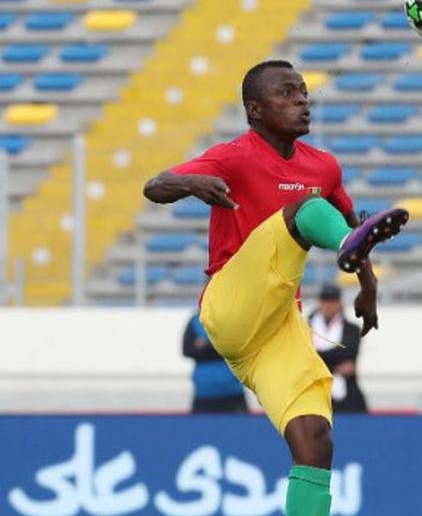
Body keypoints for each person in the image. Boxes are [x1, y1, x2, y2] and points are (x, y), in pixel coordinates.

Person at [143, 60, 408, 516]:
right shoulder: (234, 155)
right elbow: (154, 186)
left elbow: (351, 228)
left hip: (279, 325)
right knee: (300, 214)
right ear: (255, 110)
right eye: (287, 93)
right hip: (229, 305)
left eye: (303, 91)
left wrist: (368, 284)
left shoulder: (323, 166)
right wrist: (192, 182)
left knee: (316, 441)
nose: (302, 100)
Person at [308, 284, 368, 413]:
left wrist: (317, 362)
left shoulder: (351, 329)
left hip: (345, 395)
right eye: (325, 301)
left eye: (332, 301)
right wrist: (336, 366)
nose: (328, 305)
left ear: (339, 303)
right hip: (312, 392)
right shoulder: (305, 327)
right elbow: (304, 357)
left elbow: (349, 352)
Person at [181, 310, 248, 414]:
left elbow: (237, 347)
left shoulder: (232, 319)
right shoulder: (195, 320)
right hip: (204, 394)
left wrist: (205, 346)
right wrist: (218, 346)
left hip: (232, 393)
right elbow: (186, 350)